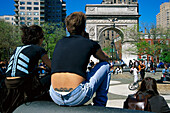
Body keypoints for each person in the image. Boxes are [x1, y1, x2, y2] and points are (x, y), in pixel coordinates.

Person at [49, 12, 111, 107]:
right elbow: (105, 58)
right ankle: (100, 105)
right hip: (76, 96)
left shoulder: (60, 42)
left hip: (55, 96)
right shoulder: (90, 44)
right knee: (106, 66)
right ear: (84, 27)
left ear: (67, 29)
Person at [1, 25, 51, 113]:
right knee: (52, 76)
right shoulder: (39, 49)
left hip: (7, 82)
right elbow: (52, 66)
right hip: (22, 83)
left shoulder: (18, 48)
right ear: (38, 38)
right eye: (42, 37)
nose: (43, 39)